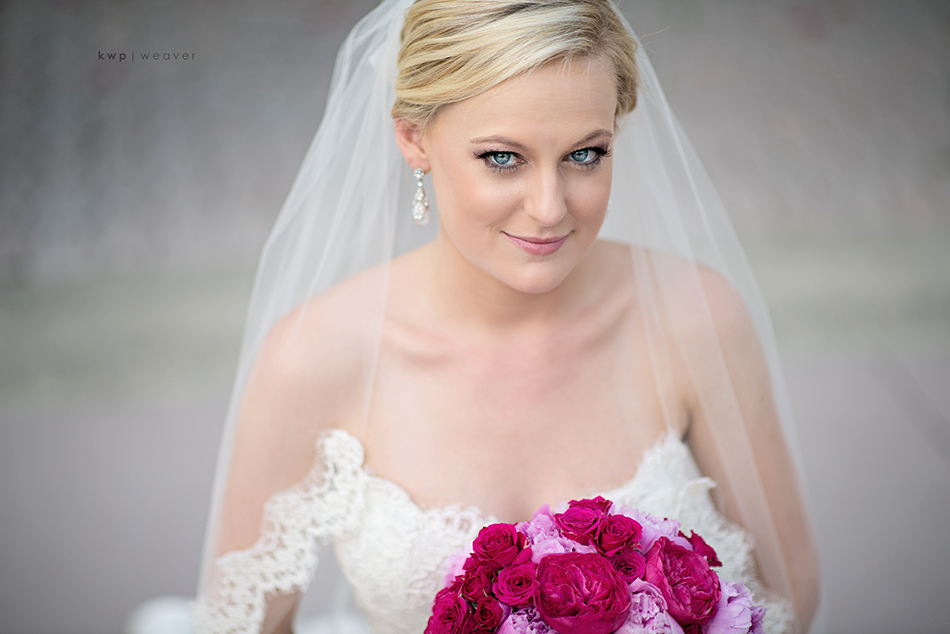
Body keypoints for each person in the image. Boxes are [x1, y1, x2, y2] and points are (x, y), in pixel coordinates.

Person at [193, 1, 820, 633]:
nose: (549, 208)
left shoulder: (695, 319)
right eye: (502, 157)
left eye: (585, 154)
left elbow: (787, 598)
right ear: (414, 139)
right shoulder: (313, 358)